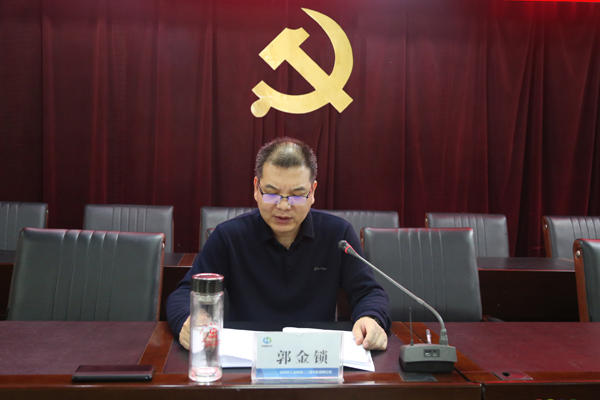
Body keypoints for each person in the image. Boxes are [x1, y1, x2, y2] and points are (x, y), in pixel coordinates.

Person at [166, 137, 390, 351]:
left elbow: (369, 292)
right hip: (246, 356)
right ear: (256, 188)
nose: (283, 206)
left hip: (314, 356)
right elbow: (184, 293)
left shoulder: (338, 235)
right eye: (272, 194)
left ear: (312, 192)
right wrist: (189, 319)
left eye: (297, 195)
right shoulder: (229, 236)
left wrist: (370, 318)